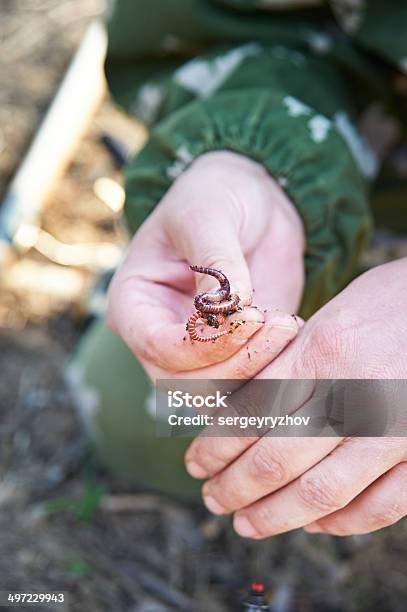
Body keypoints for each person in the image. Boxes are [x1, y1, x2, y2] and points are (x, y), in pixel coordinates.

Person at [68, 0, 407, 535]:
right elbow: (247, 26)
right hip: (354, 181)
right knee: (157, 412)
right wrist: (253, 160)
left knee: (355, 445)